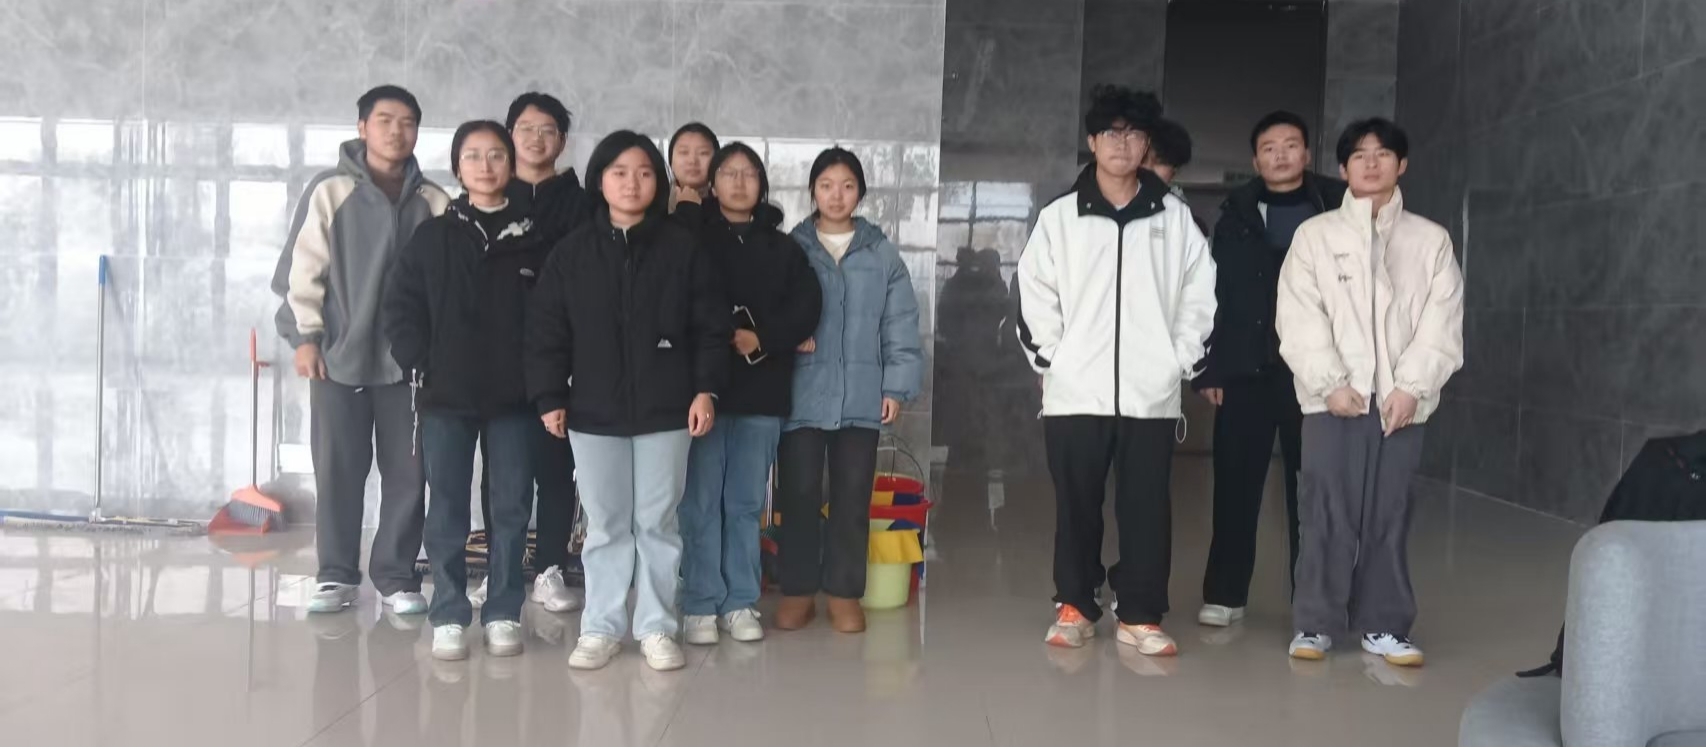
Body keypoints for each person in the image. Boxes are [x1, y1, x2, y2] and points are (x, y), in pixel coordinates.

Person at [1016, 85, 1216, 656]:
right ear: (1092, 141)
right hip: (1074, 393)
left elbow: (1201, 296)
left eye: (1133, 134)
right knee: (1076, 505)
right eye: (1111, 132)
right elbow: (1033, 292)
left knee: (1146, 508)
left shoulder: (1175, 219)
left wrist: (1176, 362)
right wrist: (1054, 360)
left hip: (1150, 396)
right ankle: (1075, 605)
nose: (1121, 143)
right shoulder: (1060, 217)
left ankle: (1140, 614)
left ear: (1146, 143)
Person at [526, 130, 729, 672]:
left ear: (657, 181)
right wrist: (550, 395)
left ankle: (657, 627)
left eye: (643, 173)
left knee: (658, 523)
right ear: (600, 180)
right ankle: (601, 627)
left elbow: (711, 326)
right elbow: (546, 330)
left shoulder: (682, 248)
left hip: (668, 410)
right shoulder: (573, 253)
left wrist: (705, 389)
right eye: (619, 172)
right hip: (593, 411)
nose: (632, 183)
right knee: (607, 524)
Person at [1276, 118, 1463, 667]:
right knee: (1325, 512)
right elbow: (1298, 316)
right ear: (1343, 169)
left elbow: (1442, 321)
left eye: (1383, 154)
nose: (1372, 163)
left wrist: (1412, 388)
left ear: (1401, 165)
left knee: (1390, 514)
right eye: (1360, 155)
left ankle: (1385, 624)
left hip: (1400, 406)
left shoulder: (1430, 240)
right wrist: (1330, 383)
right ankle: (1315, 623)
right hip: (1333, 403)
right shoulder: (1315, 237)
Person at [271, 85, 450, 615]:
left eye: (408, 122)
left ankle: (396, 577)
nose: (397, 131)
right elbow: (302, 271)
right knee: (338, 470)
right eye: (385, 120)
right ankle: (336, 575)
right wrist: (306, 338)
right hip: (338, 359)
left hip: (409, 368)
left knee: (409, 474)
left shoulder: (434, 201)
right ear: (362, 127)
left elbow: (448, 283)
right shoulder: (330, 191)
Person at [382, 120, 547, 660]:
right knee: (447, 507)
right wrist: (421, 361)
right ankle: (449, 612)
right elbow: (400, 307)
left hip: (515, 399)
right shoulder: (434, 236)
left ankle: (503, 611)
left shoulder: (535, 239)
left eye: (495, 154)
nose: (485, 165)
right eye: (473, 156)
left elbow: (554, 316)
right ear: (457, 167)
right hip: (446, 396)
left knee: (511, 507)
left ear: (511, 164)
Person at [1192, 111, 1349, 629]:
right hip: (1246, 371)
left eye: (1290, 144)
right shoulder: (1235, 213)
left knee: (1314, 493)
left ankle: (1313, 602)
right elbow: (1215, 295)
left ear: (1307, 153)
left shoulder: (1335, 207)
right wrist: (1210, 367)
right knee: (1235, 487)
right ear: (1256, 160)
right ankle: (1225, 594)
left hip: (1317, 374)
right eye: (1269, 147)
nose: (1280, 155)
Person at [674, 142, 823, 646]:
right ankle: (699, 601)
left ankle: (740, 600)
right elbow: (678, 305)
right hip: (703, 394)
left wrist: (762, 338)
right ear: (712, 184)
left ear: (762, 185)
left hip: (762, 392)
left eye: (749, 174)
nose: (739, 183)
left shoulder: (784, 249)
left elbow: (807, 307)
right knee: (699, 504)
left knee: (743, 503)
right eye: (728, 173)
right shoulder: (691, 241)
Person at [775, 147, 923, 634]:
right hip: (801, 393)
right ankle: (797, 591)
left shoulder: (881, 254)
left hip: (862, 395)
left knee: (853, 496)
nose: (836, 195)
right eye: (826, 185)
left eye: (847, 186)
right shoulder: (791, 248)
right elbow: (770, 309)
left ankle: (843, 593)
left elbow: (900, 324)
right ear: (812, 191)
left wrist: (896, 387)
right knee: (798, 494)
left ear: (860, 192)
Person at [467, 92, 589, 614]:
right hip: (500, 355)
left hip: (563, 354)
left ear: (561, 140)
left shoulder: (582, 203)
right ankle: (500, 569)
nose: (536, 139)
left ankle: (550, 570)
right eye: (525, 128)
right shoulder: (492, 199)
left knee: (555, 467)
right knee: (500, 469)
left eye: (547, 130)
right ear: (509, 135)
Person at [668, 122, 719, 213]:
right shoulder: (654, 200)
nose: (692, 161)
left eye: (703, 153)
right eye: (684, 152)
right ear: (671, 161)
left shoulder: (728, 202)